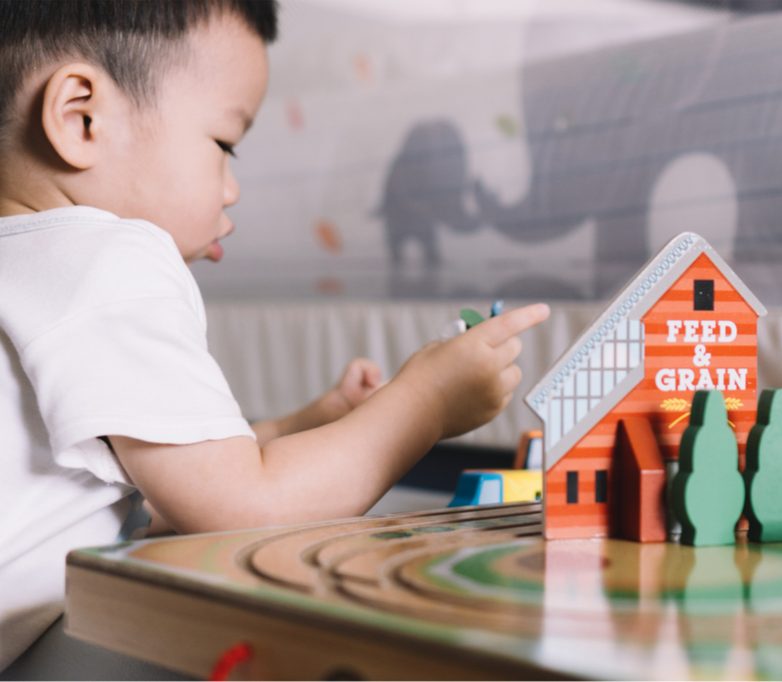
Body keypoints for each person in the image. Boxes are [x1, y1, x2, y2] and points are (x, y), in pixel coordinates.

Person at [0, 0, 549, 669]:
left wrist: (305, 426)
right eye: (225, 144)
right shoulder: (112, 258)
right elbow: (241, 510)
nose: (232, 190)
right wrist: (426, 404)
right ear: (80, 117)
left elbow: (175, 471)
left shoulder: (30, 264)